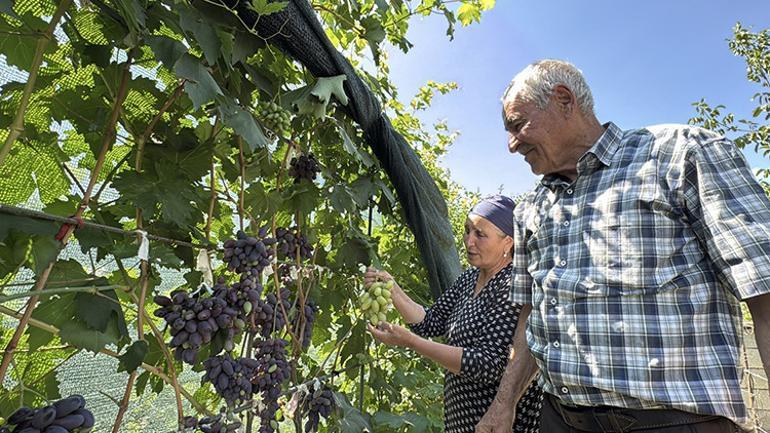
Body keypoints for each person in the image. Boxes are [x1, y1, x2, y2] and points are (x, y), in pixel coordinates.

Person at [476, 59, 770, 433]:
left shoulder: (678, 154)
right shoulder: (531, 208)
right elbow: (532, 315)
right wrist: (504, 405)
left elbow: (763, 286)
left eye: (517, 125)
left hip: (672, 423)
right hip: (560, 419)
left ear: (564, 100)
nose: (512, 144)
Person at [365, 195, 543, 433]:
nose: (469, 241)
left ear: (508, 242)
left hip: (493, 425)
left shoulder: (514, 285)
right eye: (467, 230)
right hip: (459, 421)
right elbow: (430, 322)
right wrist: (392, 289)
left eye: (480, 234)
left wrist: (411, 342)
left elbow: (487, 365)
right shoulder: (469, 278)